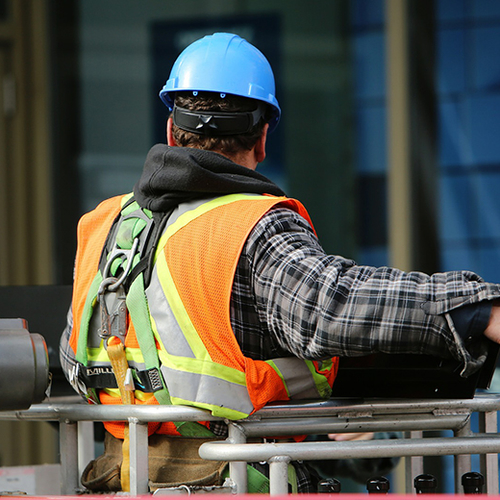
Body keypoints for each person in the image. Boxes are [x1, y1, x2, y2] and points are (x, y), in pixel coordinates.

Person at [60, 32, 500, 493]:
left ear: (172, 131)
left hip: (120, 479)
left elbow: (75, 358)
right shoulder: (252, 225)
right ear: (263, 137)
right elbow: (330, 306)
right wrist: (477, 309)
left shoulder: (102, 224)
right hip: (232, 477)